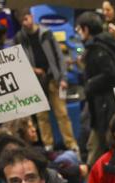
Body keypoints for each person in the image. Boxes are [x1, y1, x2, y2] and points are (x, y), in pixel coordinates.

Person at [13, 9, 76, 153]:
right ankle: (48, 146)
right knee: (41, 116)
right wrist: (33, 70)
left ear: (32, 16)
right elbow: (18, 61)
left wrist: (63, 78)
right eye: (22, 21)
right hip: (35, 82)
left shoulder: (46, 33)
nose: (26, 23)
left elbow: (59, 56)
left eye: (27, 18)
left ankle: (71, 144)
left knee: (62, 113)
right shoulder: (20, 38)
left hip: (54, 78)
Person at [76, 11, 115, 164]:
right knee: (95, 144)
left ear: (86, 29)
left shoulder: (97, 49)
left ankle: (93, 174)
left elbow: (110, 74)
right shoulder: (104, 45)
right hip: (105, 105)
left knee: (98, 148)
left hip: (104, 106)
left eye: (79, 28)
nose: (78, 32)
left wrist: (90, 83)